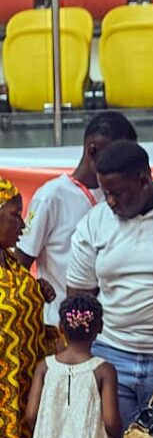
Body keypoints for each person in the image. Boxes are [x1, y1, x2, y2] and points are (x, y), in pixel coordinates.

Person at [66, 141, 153, 432]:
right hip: (111, 357)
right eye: (105, 193)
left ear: (144, 181)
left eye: (118, 193)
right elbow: (79, 296)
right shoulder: (95, 222)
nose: (110, 201)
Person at [15, 112, 138, 343]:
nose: (122, 166)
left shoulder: (119, 196)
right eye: (115, 155)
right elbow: (19, 262)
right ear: (92, 151)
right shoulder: (51, 196)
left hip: (111, 332)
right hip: (63, 333)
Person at [22, 294, 119, 438]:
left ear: (60, 328)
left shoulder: (45, 367)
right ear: (100, 327)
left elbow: (31, 414)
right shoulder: (104, 370)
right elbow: (111, 421)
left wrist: (44, 435)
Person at [0, 178, 52, 438]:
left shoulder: (15, 272)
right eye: (15, 214)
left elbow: (32, 333)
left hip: (19, 408)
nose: (22, 225)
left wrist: (36, 295)